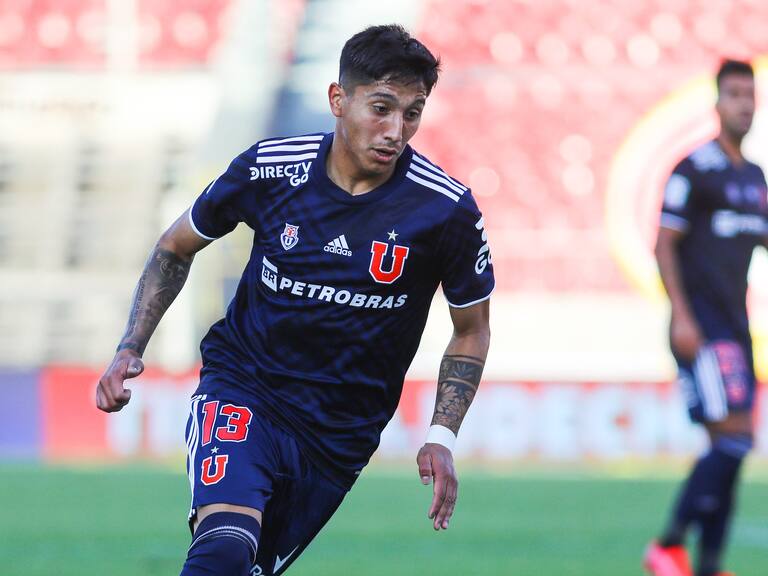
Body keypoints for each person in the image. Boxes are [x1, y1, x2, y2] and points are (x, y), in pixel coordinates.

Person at [96, 24, 493, 576]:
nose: (395, 130)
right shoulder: (269, 169)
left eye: (411, 113)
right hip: (245, 389)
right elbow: (174, 246)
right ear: (338, 99)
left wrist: (441, 434)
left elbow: (471, 327)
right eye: (381, 108)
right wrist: (129, 346)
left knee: (249, 568)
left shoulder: (445, 210)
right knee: (225, 547)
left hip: (339, 436)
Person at [645, 59, 766, 576]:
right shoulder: (693, 170)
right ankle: (668, 545)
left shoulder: (754, 178)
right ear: (717, 104)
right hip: (702, 326)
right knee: (734, 437)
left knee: (732, 445)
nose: (744, 102)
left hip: (736, 330)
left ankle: (710, 563)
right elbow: (664, 244)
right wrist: (681, 317)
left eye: (750, 94)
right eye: (734, 93)